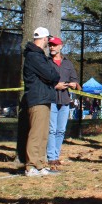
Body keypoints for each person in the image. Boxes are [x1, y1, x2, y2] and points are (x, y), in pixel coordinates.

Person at [22, 27, 61, 177]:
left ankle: (39, 165)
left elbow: (51, 75)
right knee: (36, 133)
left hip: (43, 98)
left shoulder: (37, 55)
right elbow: (51, 75)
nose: (48, 43)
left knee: (43, 134)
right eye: (47, 40)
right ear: (44, 38)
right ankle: (31, 166)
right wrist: (53, 76)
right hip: (38, 98)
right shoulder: (34, 56)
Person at [47, 36, 80, 169]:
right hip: (51, 99)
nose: (52, 47)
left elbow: (76, 81)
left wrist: (74, 84)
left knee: (61, 130)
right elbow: (42, 81)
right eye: (50, 45)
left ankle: (56, 156)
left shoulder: (68, 63)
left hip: (65, 100)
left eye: (54, 45)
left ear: (61, 46)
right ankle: (51, 157)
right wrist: (55, 86)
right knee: (51, 130)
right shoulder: (46, 62)